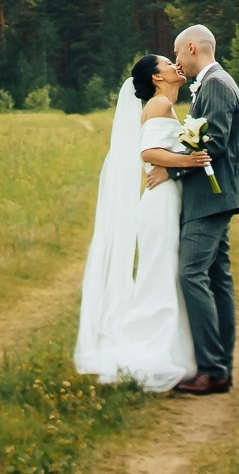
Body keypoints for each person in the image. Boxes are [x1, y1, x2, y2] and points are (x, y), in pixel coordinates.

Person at [72, 53, 210, 391]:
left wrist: (175, 164)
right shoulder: (159, 106)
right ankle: (149, 353)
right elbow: (148, 153)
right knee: (159, 276)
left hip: (167, 202)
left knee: (167, 275)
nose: (174, 65)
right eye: (166, 63)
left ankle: (173, 350)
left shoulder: (166, 104)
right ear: (156, 78)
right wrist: (189, 161)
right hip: (160, 206)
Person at [165, 24, 239, 395]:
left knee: (190, 274)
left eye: (178, 52)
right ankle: (221, 368)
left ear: (193, 47)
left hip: (210, 199)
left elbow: (211, 144)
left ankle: (213, 368)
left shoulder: (215, 84)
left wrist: (169, 166)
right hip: (218, 196)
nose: (178, 61)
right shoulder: (218, 82)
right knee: (218, 279)